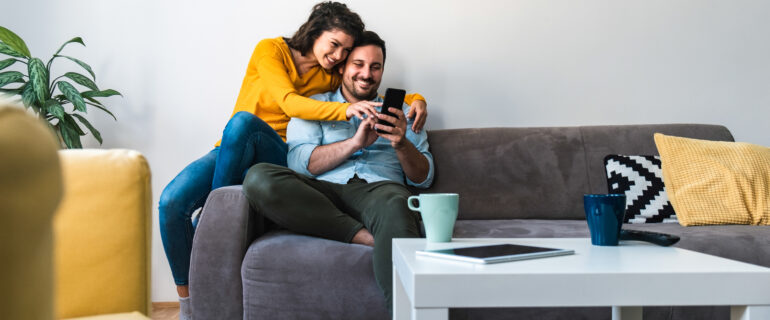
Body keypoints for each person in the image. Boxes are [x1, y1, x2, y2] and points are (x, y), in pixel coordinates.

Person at [158, 2, 428, 318]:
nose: (339, 56)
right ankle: (190, 302)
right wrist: (348, 120)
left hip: (282, 152)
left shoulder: (331, 75)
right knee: (172, 202)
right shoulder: (272, 51)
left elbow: (365, 87)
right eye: (335, 45)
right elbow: (289, 103)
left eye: (345, 51)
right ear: (315, 31)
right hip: (239, 145)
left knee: (390, 203)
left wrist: (415, 101)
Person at [242, 30, 434, 314]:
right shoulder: (316, 105)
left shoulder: (404, 113)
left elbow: (424, 178)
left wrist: (401, 143)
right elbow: (298, 164)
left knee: (396, 204)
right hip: (321, 193)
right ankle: (362, 236)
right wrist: (354, 143)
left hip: (380, 190)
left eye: (375, 66)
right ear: (342, 65)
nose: (366, 74)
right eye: (358, 64)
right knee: (258, 177)